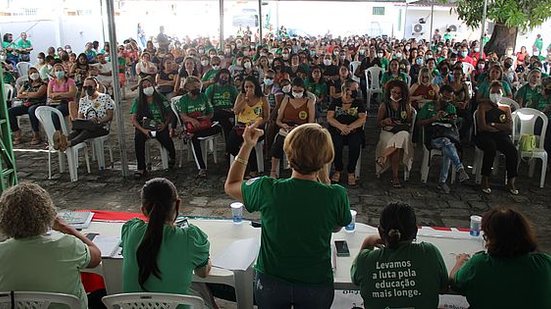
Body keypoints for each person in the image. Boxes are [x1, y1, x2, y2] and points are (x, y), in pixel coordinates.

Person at [225, 123, 352, 309]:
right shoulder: (336, 194)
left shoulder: (267, 188)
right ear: (327, 158)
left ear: (288, 155)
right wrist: (324, 180)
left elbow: (232, 185)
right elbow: (337, 226)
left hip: (271, 281)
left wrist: (247, 145)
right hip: (315, 282)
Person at [0, 183, 101, 309]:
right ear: (48, 213)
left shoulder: (2, 252)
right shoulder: (67, 245)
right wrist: (67, 228)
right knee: (100, 296)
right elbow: (96, 256)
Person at [121, 178, 213, 305]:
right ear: (177, 205)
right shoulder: (190, 238)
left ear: (143, 209)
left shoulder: (130, 230)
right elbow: (202, 273)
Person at [351, 202, 448, 308]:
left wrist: (368, 241)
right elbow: (443, 288)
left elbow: (355, 278)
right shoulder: (429, 252)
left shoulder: (365, 260)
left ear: (380, 231)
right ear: (415, 231)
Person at [450, 207, 551, 308]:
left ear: (491, 239)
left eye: (486, 236)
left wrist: (459, 262)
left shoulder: (478, 264)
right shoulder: (544, 263)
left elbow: (454, 282)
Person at [417, 85, 470, 193]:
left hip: (447, 136)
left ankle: (442, 182)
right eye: (444, 98)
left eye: (449, 98)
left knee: (447, 145)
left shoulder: (451, 108)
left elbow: (454, 128)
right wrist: (433, 118)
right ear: (439, 94)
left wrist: (453, 120)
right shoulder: (429, 106)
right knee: (447, 144)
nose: (446, 101)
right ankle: (458, 169)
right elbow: (419, 123)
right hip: (432, 136)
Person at [475, 81, 519, 194]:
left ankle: (511, 181)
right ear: (489, 93)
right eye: (493, 92)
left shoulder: (506, 108)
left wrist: (494, 125)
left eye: (498, 92)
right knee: (491, 148)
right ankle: (485, 178)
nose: (495, 94)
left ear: (502, 93)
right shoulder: (483, 107)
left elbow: (509, 127)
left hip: (500, 136)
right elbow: (482, 126)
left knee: (512, 151)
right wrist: (499, 127)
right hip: (485, 135)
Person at [130, 77, 176, 178]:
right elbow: (133, 119)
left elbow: (169, 113)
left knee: (166, 139)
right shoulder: (138, 101)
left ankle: (172, 156)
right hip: (144, 127)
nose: (147, 88)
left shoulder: (160, 98)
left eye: (149, 85)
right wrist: (144, 130)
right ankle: (141, 168)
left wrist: (165, 124)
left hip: (159, 125)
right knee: (138, 139)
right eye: (144, 87)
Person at [270, 77, 316, 178]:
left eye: (300, 91)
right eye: (295, 91)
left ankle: (297, 171)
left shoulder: (309, 102)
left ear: (304, 90)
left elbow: (311, 123)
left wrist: (299, 128)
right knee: (278, 143)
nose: (297, 93)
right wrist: (284, 125)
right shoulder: (286, 99)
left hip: (301, 130)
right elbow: (278, 120)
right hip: (286, 128)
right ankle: (273, 171)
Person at [176, 76, 221, 178]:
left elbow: (211, 113)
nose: (197, 89)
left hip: (204, 125)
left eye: (198, 86)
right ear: (187, 87)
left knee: (218, 128)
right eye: (194, 87)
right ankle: (201, 167)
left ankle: (189, 135)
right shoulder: (184, 99)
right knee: (195, 139)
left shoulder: (203, 96)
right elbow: (183, 116)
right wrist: (192, 120)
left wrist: (205, 117)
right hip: (192, 125)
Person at [53, 77, 114, 151]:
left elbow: (109, 116)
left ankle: (68, 143)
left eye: (90, 87)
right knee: (78, 131)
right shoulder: (83, 100)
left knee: (87, 131)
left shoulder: (105, 98)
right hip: (87, 125)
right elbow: (80, 117)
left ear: (96, 86)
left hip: (101, 126)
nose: (87, 89)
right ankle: (62, 142)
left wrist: (99, 121)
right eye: (85, 87)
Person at [375, 80, 414, 188]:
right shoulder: (384, 105)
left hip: (401, 131)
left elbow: (409, 122)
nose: (396, 95)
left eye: (399, 93)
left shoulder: (406, 105)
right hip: (387, 130)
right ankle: (395, 176)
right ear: (389, 92)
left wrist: (400, 123)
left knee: (403, 136)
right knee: (396, 145)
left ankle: (383, 156)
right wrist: (384, 121)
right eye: (394, 92)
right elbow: (378, 123)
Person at [228, 76, 270, 177]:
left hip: (256, 126)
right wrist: (245, 100)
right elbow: (236, 111)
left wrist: (257, 123)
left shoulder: (262, 98)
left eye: (251, 86)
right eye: (246, 87)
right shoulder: (241, 96)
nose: (248, 89)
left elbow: (266, 117)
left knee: (248, 141)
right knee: (231, 145)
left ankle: (253, 169)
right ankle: (244, 160)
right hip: (241, 125)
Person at [327, 80, 367, 186]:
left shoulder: (358, 103)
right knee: (336, 145)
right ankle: (338, 169)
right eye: (355, 89)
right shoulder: (336, 102)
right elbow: (330, 118)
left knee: (355, 145)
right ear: (347, 90)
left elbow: (362, 119)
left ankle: (351, 171)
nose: (356, 91)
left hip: (353, 131)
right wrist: (341, 127)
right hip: (337, 130)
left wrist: (349, 128)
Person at [8, 67, 47, 145]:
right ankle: (17, 133)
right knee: (10, 111)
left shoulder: (43, 84)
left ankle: (36, 134)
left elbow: (38, 95)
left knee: (31, 110)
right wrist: (28, 95)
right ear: (29, 75)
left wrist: (25, 93)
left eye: (35, 72)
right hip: (26, 104)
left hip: (39, 104)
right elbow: (18, 95)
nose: (34, 74)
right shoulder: (26, 84)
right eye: (31, 73)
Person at [205, 69, 238, 144]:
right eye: (222, 77)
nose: (224, 79)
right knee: (225, 120)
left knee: (225, 122)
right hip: (215, 112)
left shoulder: (232, 88)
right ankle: (229, 149)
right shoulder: (211, 88)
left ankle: (228, 148)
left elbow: (237, 101)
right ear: (218, 77)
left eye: (226, 78)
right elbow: (208, 104)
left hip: (229, 111)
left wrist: (233, 109)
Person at [47, 63, 78, 137]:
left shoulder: (70, 81)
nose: (58, 72)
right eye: (56, 70)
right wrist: (63, 94)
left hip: (67, 103)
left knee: (55, 112)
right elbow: (49, 95)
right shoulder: (52, 82)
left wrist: (57, 95)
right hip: (54, 102)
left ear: (64, 71)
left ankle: (59, 134)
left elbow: (71, 93)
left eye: (60, 70)